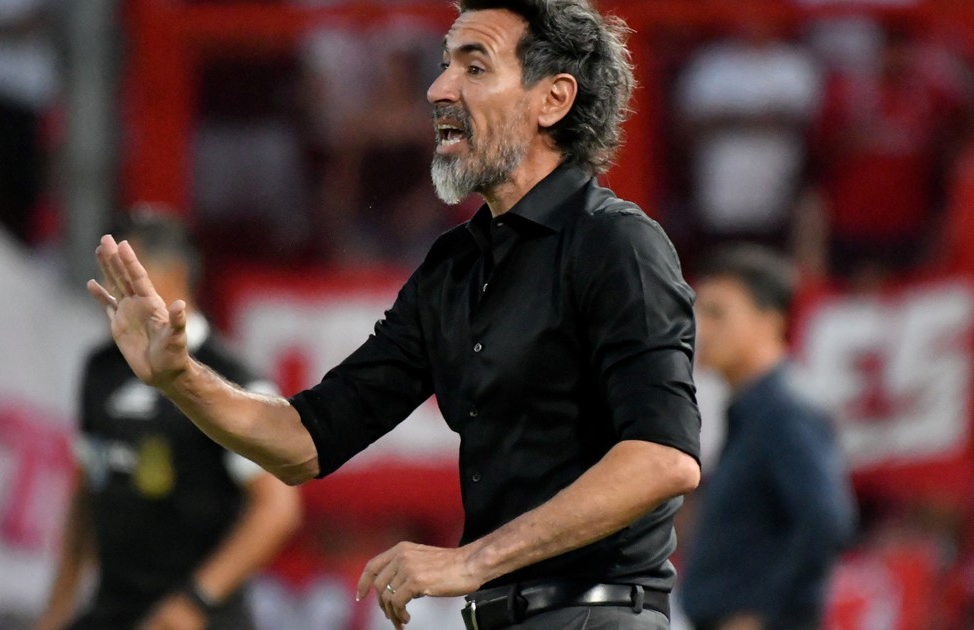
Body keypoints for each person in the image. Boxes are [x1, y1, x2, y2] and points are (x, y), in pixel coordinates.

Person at [89, 1, 702, 628]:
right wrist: (180, 378)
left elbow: (663, 457)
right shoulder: (454, 267)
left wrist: (473, 560)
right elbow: (304, 441)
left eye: (474, 67)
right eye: (444, 66)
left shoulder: (617, 243)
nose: (438, 89)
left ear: (553, 99)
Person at [40, 213, 302, 630]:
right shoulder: (101, 367)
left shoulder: (233, 381)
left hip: (199, 621)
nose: (115, 288)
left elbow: (277, 509)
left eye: (129, 274)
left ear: (177, 275)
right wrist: (56, 612)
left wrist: (195, 601)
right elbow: (87, 493)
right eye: (110, 274)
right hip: (114, 612)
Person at [679, 245, 856, 630]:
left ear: (770, 322)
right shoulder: (751, 412)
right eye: (698, 311)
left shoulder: (784, 411)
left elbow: (826, 520)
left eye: (717, 313)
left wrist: (766, 613)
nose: (701, 328)